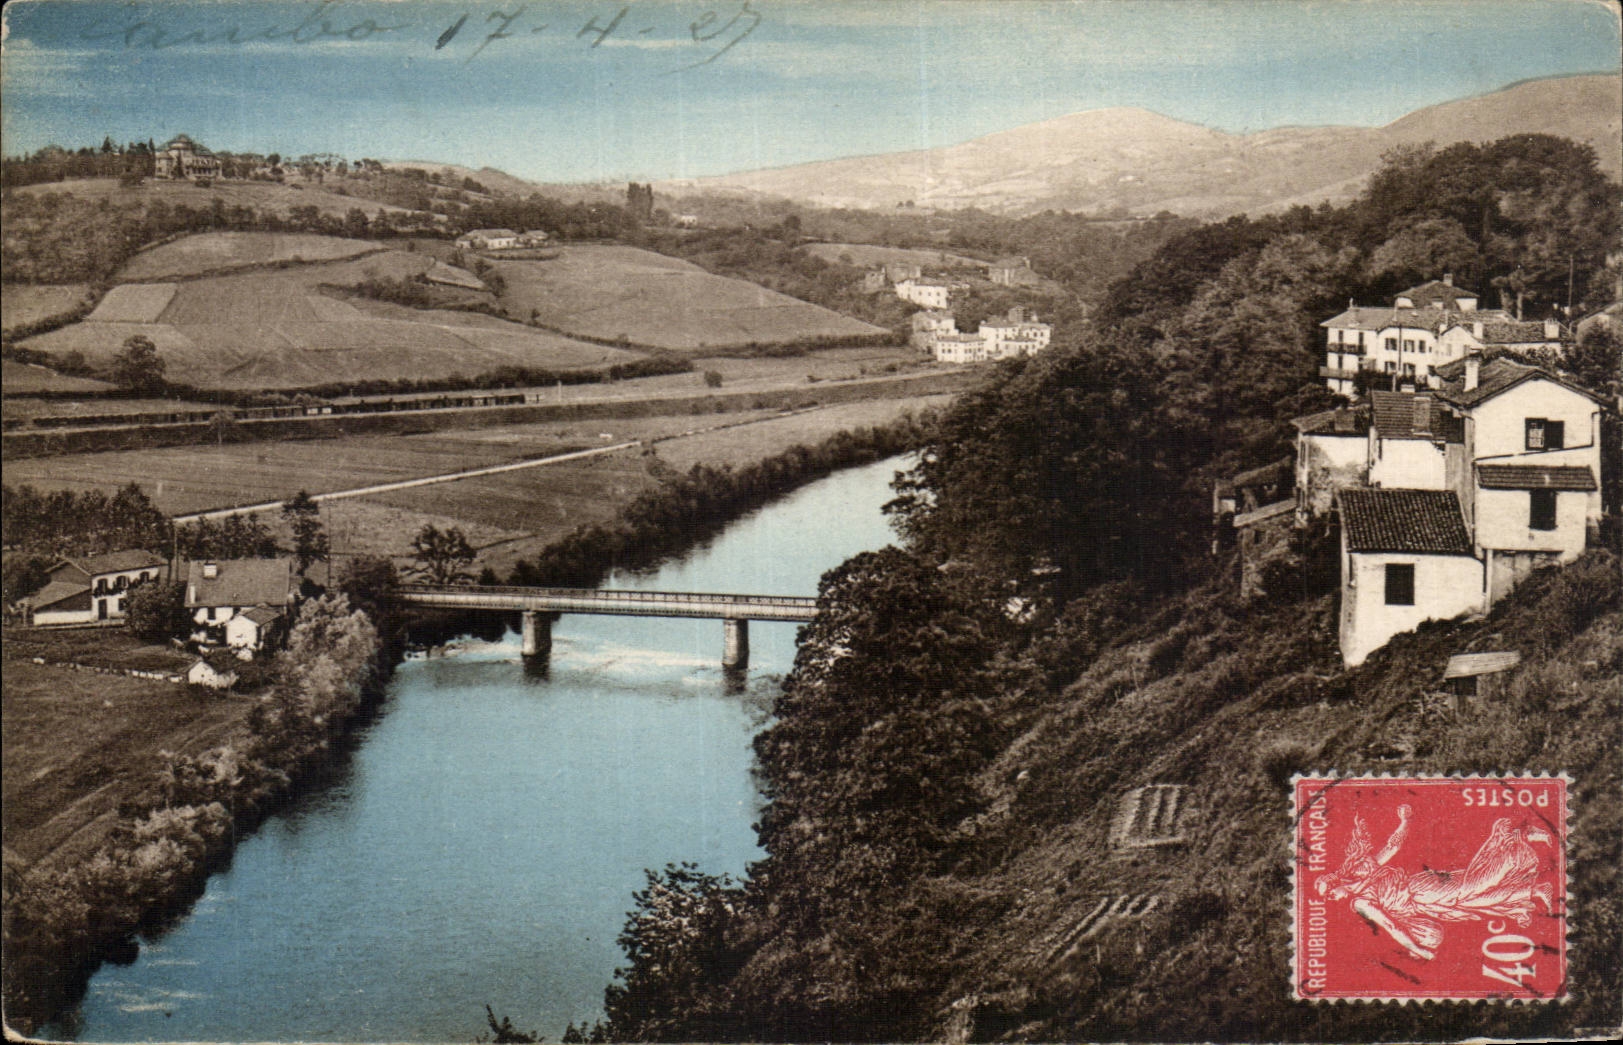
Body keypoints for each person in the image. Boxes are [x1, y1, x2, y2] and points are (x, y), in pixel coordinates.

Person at [1315, 804, 1555, 961]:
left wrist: (1419, 950)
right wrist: (1405, 821)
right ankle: (1534, 889)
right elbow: (1392, 848)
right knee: (1474, 899)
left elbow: (1391, 925)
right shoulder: (1363, 873)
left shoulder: (1360, 899)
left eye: (1329, 892)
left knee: (1475, 886)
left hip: (1421, 892)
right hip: (1424, 898)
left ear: (1336, 882)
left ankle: (1515, 836)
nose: (1331, 898)